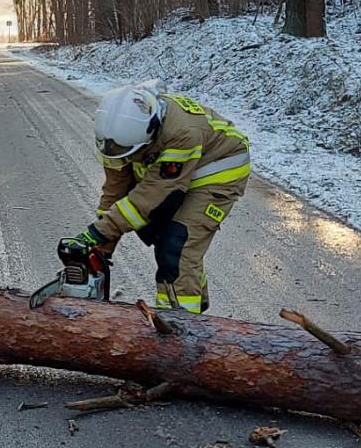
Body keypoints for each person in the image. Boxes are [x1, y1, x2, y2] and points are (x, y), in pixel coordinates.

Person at [60, 81, 252, 312]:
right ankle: (194, 300)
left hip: (218, 169)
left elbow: (150, 199)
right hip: (179, 170)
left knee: (177, 244)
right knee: (159, 235)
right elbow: (115, 190)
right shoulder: (118, 136)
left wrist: (97, 233)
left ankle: (181, 327)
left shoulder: (181, 135)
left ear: (150, 135)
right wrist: (100, 244)